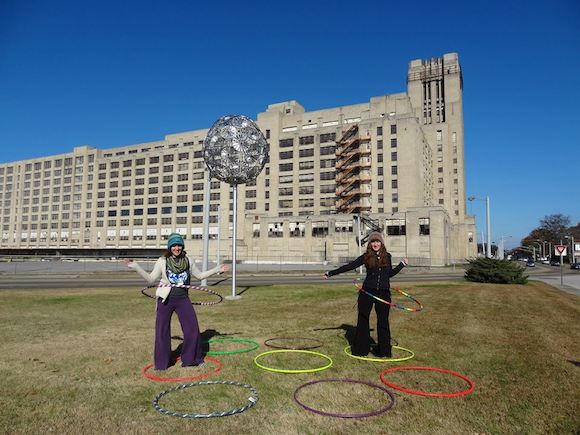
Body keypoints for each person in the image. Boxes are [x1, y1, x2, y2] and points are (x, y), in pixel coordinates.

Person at [125, 232, 229, 370]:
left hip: (183, 299)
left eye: (179, 245)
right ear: (170, 247)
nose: (177, 248)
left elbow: (200, 276)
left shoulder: (188, 260)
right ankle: (162, 363)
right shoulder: (162, 261)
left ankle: (190, 359)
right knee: (162, 331)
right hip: (165, 299)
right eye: (174, 245)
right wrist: (136, 266)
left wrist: (217, 269)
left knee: (192, 329)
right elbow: (151, 279)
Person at [324, 232, 408, 358]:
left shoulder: (388, 256)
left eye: (378, 241)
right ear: (370, 244)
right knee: (363, 320)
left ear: (381, 243)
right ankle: (360, 350)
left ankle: (384, 351)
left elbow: (389, 274)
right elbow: (350, 266)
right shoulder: (366, 257)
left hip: (383, 293)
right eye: (373, 242)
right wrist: (330, 273)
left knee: (383, 322)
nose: (375, 244)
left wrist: (401, 265)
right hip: (367, 292)